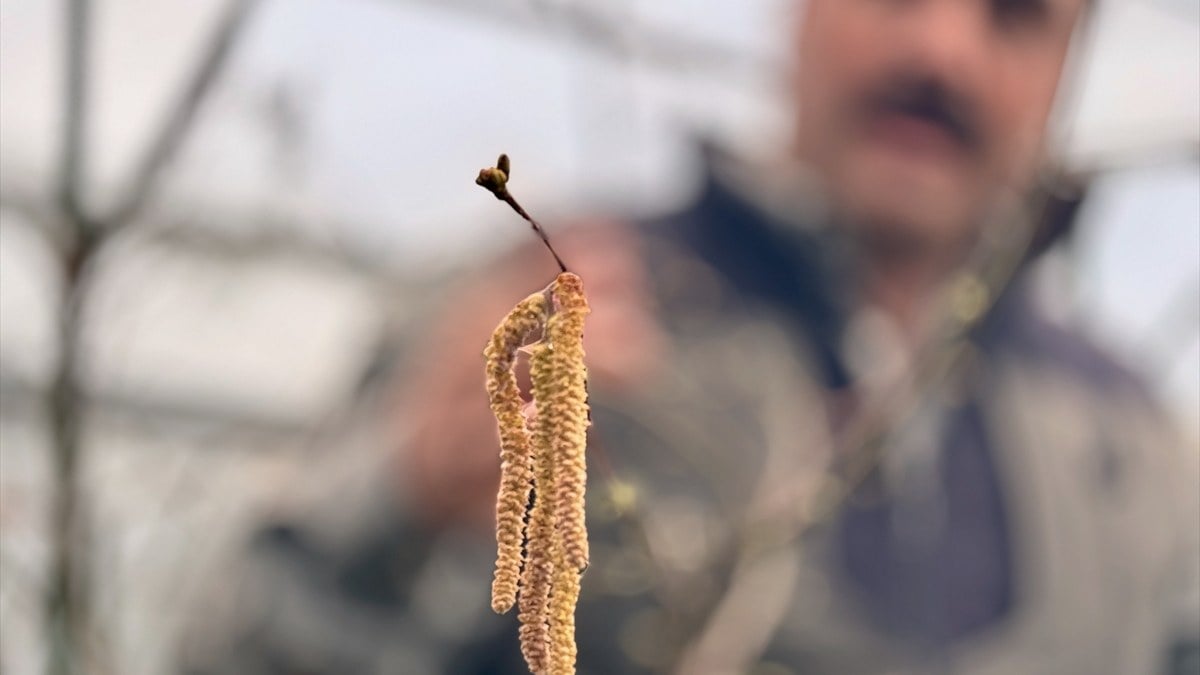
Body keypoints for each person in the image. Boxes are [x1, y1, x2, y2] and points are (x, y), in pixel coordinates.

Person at [180, 0, 1200, 673]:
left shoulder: (1135, 459)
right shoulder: (558, 320)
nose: (941, 49)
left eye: (1013, 15)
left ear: (1067, 66)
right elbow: (236, 649)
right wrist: (397, 505)